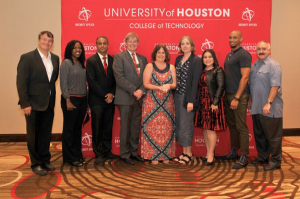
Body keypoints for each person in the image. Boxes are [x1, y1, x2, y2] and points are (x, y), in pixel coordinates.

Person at [16, 31, 59, 175]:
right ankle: (35, 163)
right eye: (45, 39)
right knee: (33, 135)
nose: (47, 42)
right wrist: (25, 103)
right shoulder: (27, 58)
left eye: (50, 40)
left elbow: (51, 82)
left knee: (46, 133)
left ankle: (45, 160)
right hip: (32, 104)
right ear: (38, 40)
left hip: (49, 102)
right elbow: (21, 83)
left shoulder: (55, 59)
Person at [113, 32, 148, 165]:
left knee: (135, 127)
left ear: (138, 44)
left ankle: (134, 152)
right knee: (125, 127)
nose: (133, 43)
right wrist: (134, 90)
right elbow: (119, 77)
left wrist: (142, 91)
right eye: (130, 41)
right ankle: (125, 154)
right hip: (125, 98)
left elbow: (146, 78)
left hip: (139, 98)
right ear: (125, 43)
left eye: (135, 41)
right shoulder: (119, 57)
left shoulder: (143, 59)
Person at [249, 41, 283, 171]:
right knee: (260, 135)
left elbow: (275, 86)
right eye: (259, 49)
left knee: (273, 136)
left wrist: (268, 103)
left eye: (264, 49)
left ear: (269, 50)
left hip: (270, 108)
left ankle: (275, 161)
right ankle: (263, 157)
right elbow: (252, 86)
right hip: (256, 107)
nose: (261, 51)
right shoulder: (254, 66)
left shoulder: (274, 66)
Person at [140, 44, 177, 164]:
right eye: (159, 52)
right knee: (152, 128)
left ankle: (166, 155)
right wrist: (159, 87)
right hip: (152, 102)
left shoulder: (171, 67)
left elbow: (174, 84)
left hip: (167, 103)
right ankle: (152, 156)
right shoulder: (149, 66)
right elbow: (145, 84)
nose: (161, 55)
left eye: (163, 53)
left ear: (166, 55)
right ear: (155, 54)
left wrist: (168, 86)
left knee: (167, 129)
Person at [86, 36, 119, 166]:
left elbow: (116, 80)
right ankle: (98, 153)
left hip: (110, 101)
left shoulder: (112, 60)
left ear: (108, 45)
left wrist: (112, 94)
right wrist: (106, 95)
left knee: (108, 127)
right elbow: (92, 82)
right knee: (97, 128)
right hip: (97, 101)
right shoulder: (91, 61)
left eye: (104, 43)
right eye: (100, 43)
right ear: (96, 45)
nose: (102, 45)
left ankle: (107, 151)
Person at [224, 30, 252, 169]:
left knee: (241, 126)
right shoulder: (230, 54)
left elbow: (245, 77)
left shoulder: (244, 54)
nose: (232, 39)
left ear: (241, 39)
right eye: (230, 37)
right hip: (228, 95)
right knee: (233, 125)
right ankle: (234, 151)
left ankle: (243, 156)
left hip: (238, 96)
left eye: (235, 37)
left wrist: (237, 97)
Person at [194, 49, 226, 166]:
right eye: (205, 57)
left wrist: (215, 102)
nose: (207, 59)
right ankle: (208, 152)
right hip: (202, 103)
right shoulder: (201, 71)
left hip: (212, 103)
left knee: (210, 129)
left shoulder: (218, 70)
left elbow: (221, 86)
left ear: (214, 58)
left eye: (210, 57)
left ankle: (211, 154)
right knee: (205, 128)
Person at [173, 36, 202, 164]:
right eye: (183, 44)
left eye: (187, 43)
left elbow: (195, 81)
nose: (185, 46)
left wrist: (191, 101)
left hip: (187, 98)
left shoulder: (196, 60)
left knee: (186, 125)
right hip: (177, 96)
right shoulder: (178, 59)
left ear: (192, 45)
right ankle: (184, 152)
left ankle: (189, 153)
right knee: (180, 124)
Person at [60, 40, 87, 167]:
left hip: (82, 99)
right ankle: (70, 157)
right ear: (70, 49)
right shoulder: (66, 63)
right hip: (71, 99)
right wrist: (67, 100)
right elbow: (63, 83)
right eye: (75, 47)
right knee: (69, 129)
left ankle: (77, 154)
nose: (78, 50)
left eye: (80, 48)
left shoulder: (81, 64)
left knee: (77, 129)